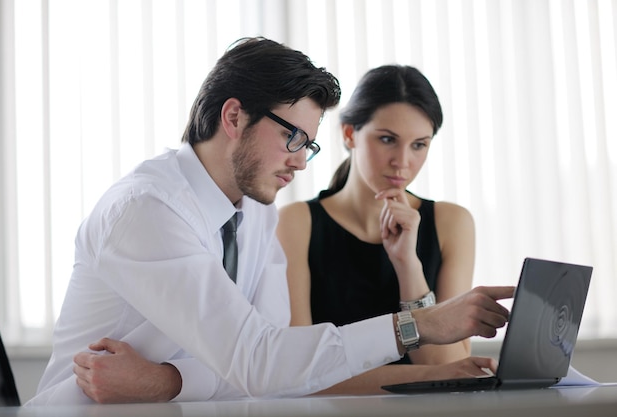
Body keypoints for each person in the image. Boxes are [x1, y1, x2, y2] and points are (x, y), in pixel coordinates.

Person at [26, 37, 513, 406]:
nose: (301, 164)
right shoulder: (147, 209)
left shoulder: (255, 213)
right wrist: (419, 324)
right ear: (234, 117)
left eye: (309, 145)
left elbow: (277, 362)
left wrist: (165, 380)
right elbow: (259, 363)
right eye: (293, 139)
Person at [276, 65, 478, 395]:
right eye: (387, 139)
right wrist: (423, 378)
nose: (402, 161)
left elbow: (447, 366)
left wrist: (408, 266)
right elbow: (299, 372)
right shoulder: (296, 223)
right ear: (349, 134)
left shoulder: (451, 223)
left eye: (419, 145)